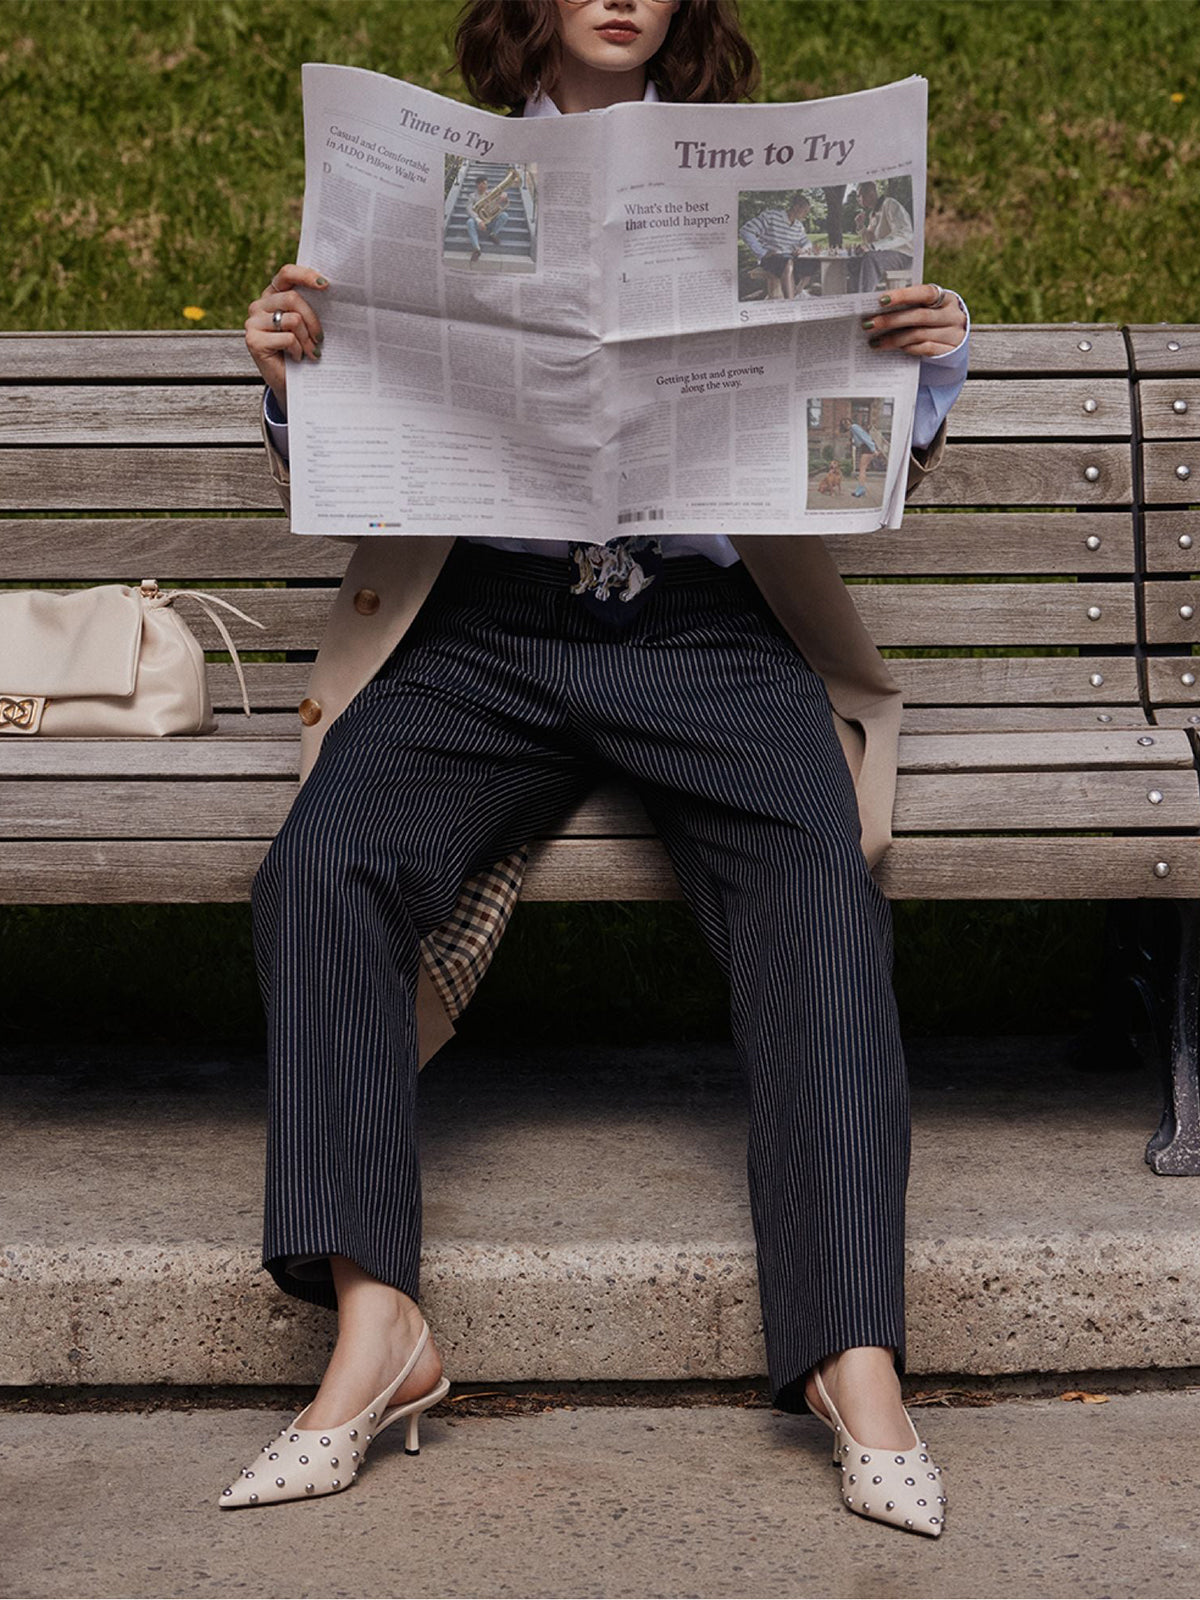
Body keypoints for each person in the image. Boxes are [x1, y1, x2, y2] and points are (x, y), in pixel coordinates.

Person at [234, 0, 970, 1538]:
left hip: (705, 631)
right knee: (325, 863)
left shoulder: (764, 182)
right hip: (489, 627)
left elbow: (855, 464)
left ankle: (854, 1357)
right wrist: (296, 377)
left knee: (817, 884)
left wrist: (923, 362)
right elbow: (366, 443)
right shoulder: (450, 181)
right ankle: (376, 1323)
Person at [738, 192, 819, 298]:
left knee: (814, 262)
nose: (806, 215)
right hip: (771, 259)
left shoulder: (798, 226)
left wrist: (803, 249)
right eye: (805, 211)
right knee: (788, 262)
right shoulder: (771, 216)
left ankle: (797, 292)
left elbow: (807, 242)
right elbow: (745, 231)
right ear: (796, 207)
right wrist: (762, 253)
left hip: (789, 257)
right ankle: (790, 302)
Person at [852, 179, 915, 294]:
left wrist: (872, 246)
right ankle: (856, 295)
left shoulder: (890, 204)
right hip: (887, 255)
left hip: (904, 256)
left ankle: (863, 298)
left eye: (859, 195)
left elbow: (905, 232)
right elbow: (871, 240)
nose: (858, 199)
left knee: (871, 259)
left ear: (871, 194)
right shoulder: (873, 213)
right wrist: (861, 226)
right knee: (854, 261)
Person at [465, 173, 512, 261]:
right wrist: (479, 221)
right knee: (469, 222)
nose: (485, 186)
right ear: (478, 185)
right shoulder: (472, 196)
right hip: (479, 222)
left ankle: (493, 234)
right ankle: (477, 249)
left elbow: (504, 204)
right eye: (483, 184)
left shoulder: (490, 193)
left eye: (486, 184)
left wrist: (505, 197)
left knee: (504, 215)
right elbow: (469, 210)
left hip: (490, 221)